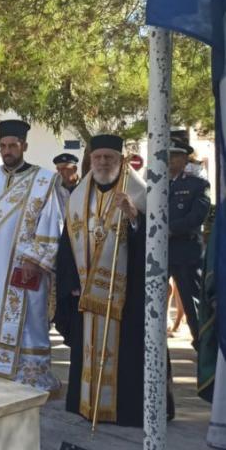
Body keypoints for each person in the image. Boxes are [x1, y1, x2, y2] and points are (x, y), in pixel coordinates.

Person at [54, 134, 174, 426]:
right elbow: (67, 244)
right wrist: (71, 283)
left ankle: (127, 411)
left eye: (109, 157)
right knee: (87, 350)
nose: (103, 162)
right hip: (87, 292)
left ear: (121, 160)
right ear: (90, 160)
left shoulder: (140, 193)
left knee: (129, 355)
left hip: (127, 295)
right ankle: (87, 404)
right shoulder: (78, 197)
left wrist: (134, 217)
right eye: (97, 157)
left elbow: (157, 245)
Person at [0, 119, 64, 391]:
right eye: (3, 146)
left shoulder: (44, 180)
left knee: (29, 319)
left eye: (13, 146)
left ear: (24, 146)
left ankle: (28, 377)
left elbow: (51, 220)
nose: (7, 151)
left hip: (25, 265)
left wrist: (34, 258)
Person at [167, 134, 210, 350]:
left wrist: (169, 229)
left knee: (192, 304)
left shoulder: (197, 185)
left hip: (185, 253)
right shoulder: (155, 185)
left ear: (185, 160)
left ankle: (203, 349)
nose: (170, 160)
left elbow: (197, 217)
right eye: (167, 156)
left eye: (175, 156)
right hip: (159, 254)